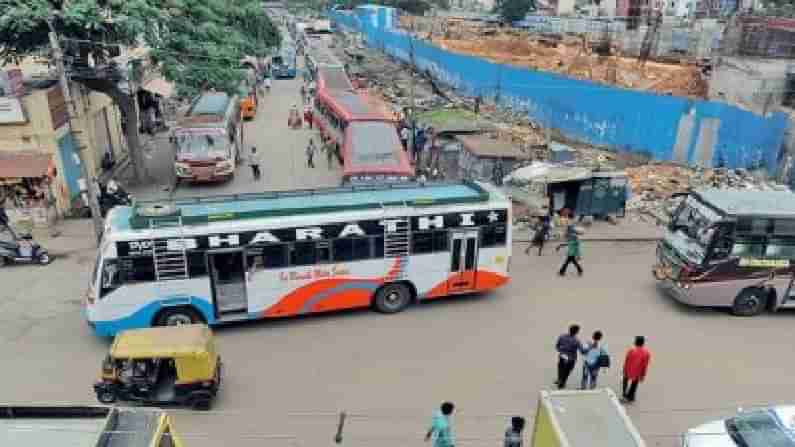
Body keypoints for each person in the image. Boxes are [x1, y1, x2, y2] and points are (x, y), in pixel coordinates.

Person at [621, 336, 651, 404]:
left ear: (636, 342)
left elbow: (626, 361)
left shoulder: (631, 351)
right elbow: (645, 365)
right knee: (634, 384)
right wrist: (643, 375)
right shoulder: (646, 353)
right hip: (638, 372)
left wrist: (624, 369)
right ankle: (631, 396)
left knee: (625, 381)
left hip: (628, 370)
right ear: (643, 343)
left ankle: (624, 394)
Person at [555, 324, 581, 389]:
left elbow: (557, 346)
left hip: (562, 356)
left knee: (561, 369)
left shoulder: (562, 336)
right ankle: (562, 383)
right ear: (576, 332)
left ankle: (560, 380)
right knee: (567, 371)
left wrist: (561, 351)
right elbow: (582, 350)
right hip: (571, 358)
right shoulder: (576, 341)